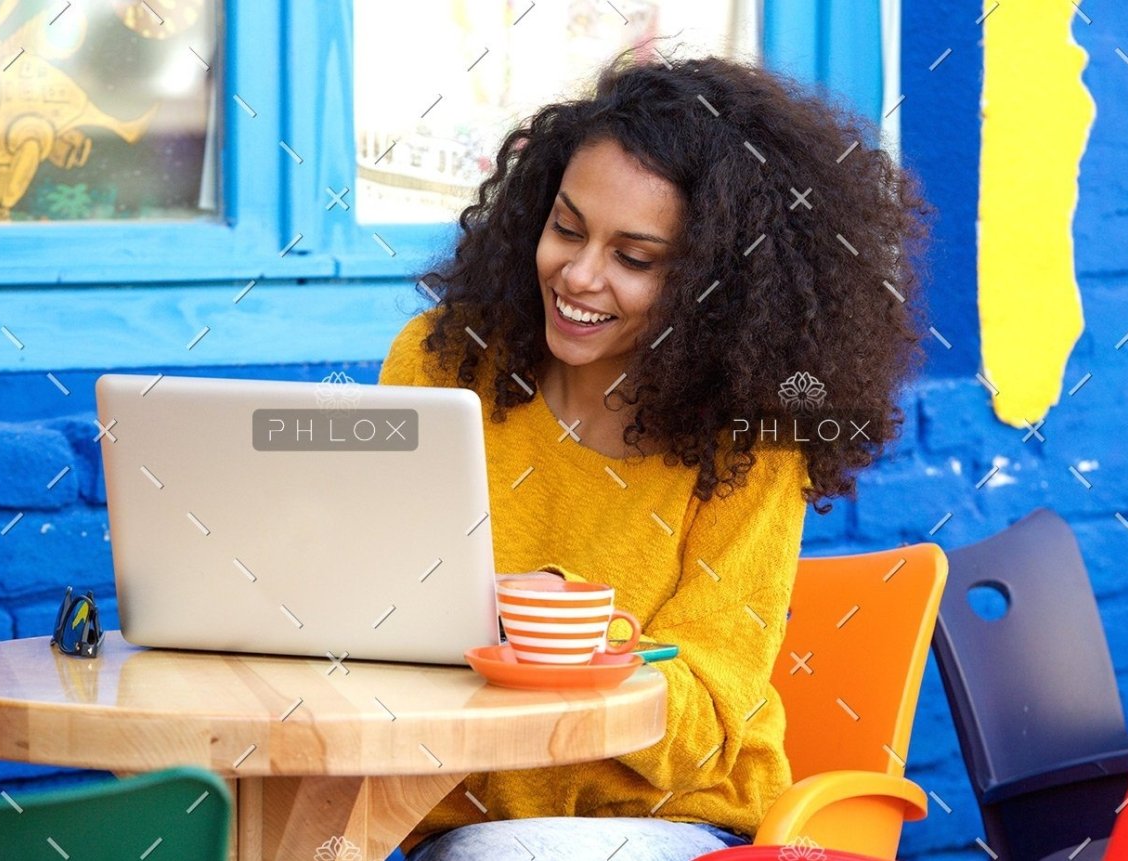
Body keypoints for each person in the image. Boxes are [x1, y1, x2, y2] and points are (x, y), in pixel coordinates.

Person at [378, 48, 932, 861]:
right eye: (565, 227)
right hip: (445, 816)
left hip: (681, 824)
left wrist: (563, 630)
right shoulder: (443, 360)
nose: (578, 273)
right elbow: (371, 604)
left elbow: (706, 720)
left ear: (718, 287)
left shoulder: (750, 429)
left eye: (634, 258)